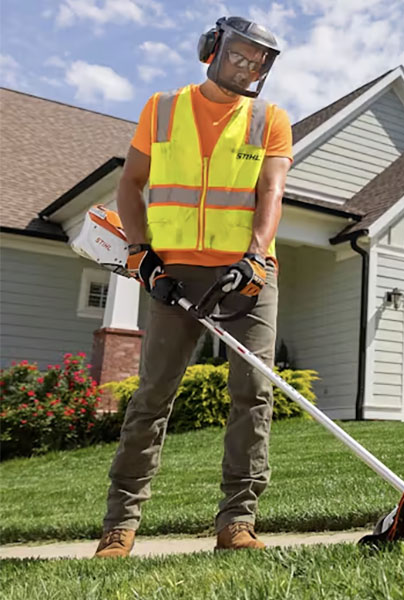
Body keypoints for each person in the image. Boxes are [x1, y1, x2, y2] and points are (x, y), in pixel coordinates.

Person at [94, 16, 293, 558]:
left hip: (247, 277)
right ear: (212, 48)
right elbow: (130, 185)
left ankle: (237, 524)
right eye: (242, 55)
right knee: (153, 396)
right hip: (173, 274)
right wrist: (139, 251)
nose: (251, 67)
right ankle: (120, 525)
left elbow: (271, 192)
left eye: (261, 61)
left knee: (253, 394)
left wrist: (255, 257)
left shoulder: (269, 120)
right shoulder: (161, 110)